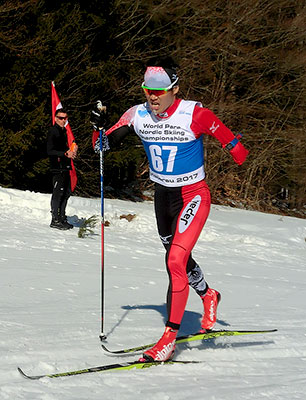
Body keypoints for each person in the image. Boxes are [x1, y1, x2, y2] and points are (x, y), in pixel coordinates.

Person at [90, 59, 249, 362]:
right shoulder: (136, 115)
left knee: (175, 260)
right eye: (148, 90)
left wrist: (235, 149)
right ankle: (208, 294)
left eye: (160, 91)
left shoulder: (195, 114)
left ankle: (169, 339)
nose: (153, 96)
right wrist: (96, 127)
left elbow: (233, 143)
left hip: (193, 195)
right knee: (176, 256)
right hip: (163, 197)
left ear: (175, 89)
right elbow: (101, 146)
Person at [47, 108, 77, 230]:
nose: (63, 120)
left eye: (65, 118)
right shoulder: (53, 131)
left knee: (66, 192)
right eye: (60, 118)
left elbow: (65, 148)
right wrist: (65, 153)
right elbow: (50, 150)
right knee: (58, 193)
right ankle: (55, 219)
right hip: (57, 166)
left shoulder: (63, 131)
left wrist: (72, 151)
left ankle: (61, 217)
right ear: (55, 118)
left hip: (65, 166)